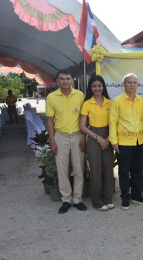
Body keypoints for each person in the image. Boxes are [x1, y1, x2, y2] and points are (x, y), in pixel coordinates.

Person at [45, 69, 87, 214]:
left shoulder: (80, 95)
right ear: (57, 81)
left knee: (78, 169)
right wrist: (52, 141)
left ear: (72, 80)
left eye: (68, 78)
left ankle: (77, 199)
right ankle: (66, 199)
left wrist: (83, 137)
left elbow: (85, 118)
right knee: (62, 169)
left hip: (77, 135)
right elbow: (50, 120)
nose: (65, 81)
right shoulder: (51, 97)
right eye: (62, 79)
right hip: (60, 136)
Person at [109, 73, 143, 210]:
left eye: (135, 82)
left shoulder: (140, 100)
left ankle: (136, 195)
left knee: (137, 170)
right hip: (124, 142)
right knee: (124, 171)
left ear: (138, 85)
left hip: (139, 141)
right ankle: (125, 197)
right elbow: (112, 122)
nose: (132, 85)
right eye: (129, 82)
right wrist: (114, 141)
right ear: (123, 84)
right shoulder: (117, 101)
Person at [80, 75, 114, 211]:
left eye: (99, 85)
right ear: (90, 88)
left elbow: (115, 123)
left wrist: (108, 138)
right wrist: (98, 138)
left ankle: (108, 199)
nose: (97, 88)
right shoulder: (87, 103)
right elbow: (83, 126)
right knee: (95, 170)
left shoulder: (110, 103)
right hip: (93, 137)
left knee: (108, 169)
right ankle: (97, 201)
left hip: (108, 136)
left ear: (103, 87)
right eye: (94, 86)